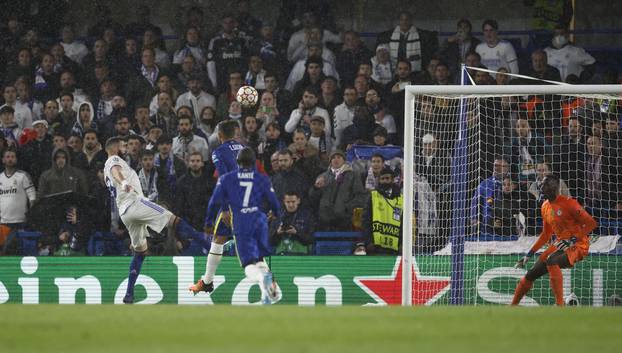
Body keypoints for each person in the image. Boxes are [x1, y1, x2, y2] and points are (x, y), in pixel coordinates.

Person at [103, 137, 201, 304]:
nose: (125, 147)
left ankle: (129, 294)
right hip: (135, 203)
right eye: (123, 144)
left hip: (125, 213)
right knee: (173, 220)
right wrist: (125, 182)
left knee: (140, 252)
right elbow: (116, 172)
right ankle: (209, 245)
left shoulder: (105, 168)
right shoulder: (114, 159)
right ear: (115, 147)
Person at [190, 147, 282, 305]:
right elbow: (274, 202)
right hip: (259, 222)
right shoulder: (262, 179)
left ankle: (262, 279)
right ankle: (273, 292)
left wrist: (208, 222)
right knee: (259, 260)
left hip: (242, 222)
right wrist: (276, 215)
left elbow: (214, 202)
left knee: (248, 265)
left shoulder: (227, 179)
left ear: (237, 162)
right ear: (254, 163)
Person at [512, 175, 598, 306]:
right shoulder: (545, 206)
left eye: (544, 184)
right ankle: (512, 306)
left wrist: (572, 240)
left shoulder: (570, 203)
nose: (541, 186)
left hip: (578, 244)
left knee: (551, 260)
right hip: (560, 244)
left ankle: (559, 305)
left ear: (553, 187)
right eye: (541, 183)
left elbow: (591, 223)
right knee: (531, 274)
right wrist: (529, 255)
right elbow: (546, 235)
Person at [191, 120, 244, 294]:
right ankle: (207, 281)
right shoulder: (245, 150)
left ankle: (267, 280)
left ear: (220, 135)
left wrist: (225, 208)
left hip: (233, 203)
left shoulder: (219, 152)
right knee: (219, 239)